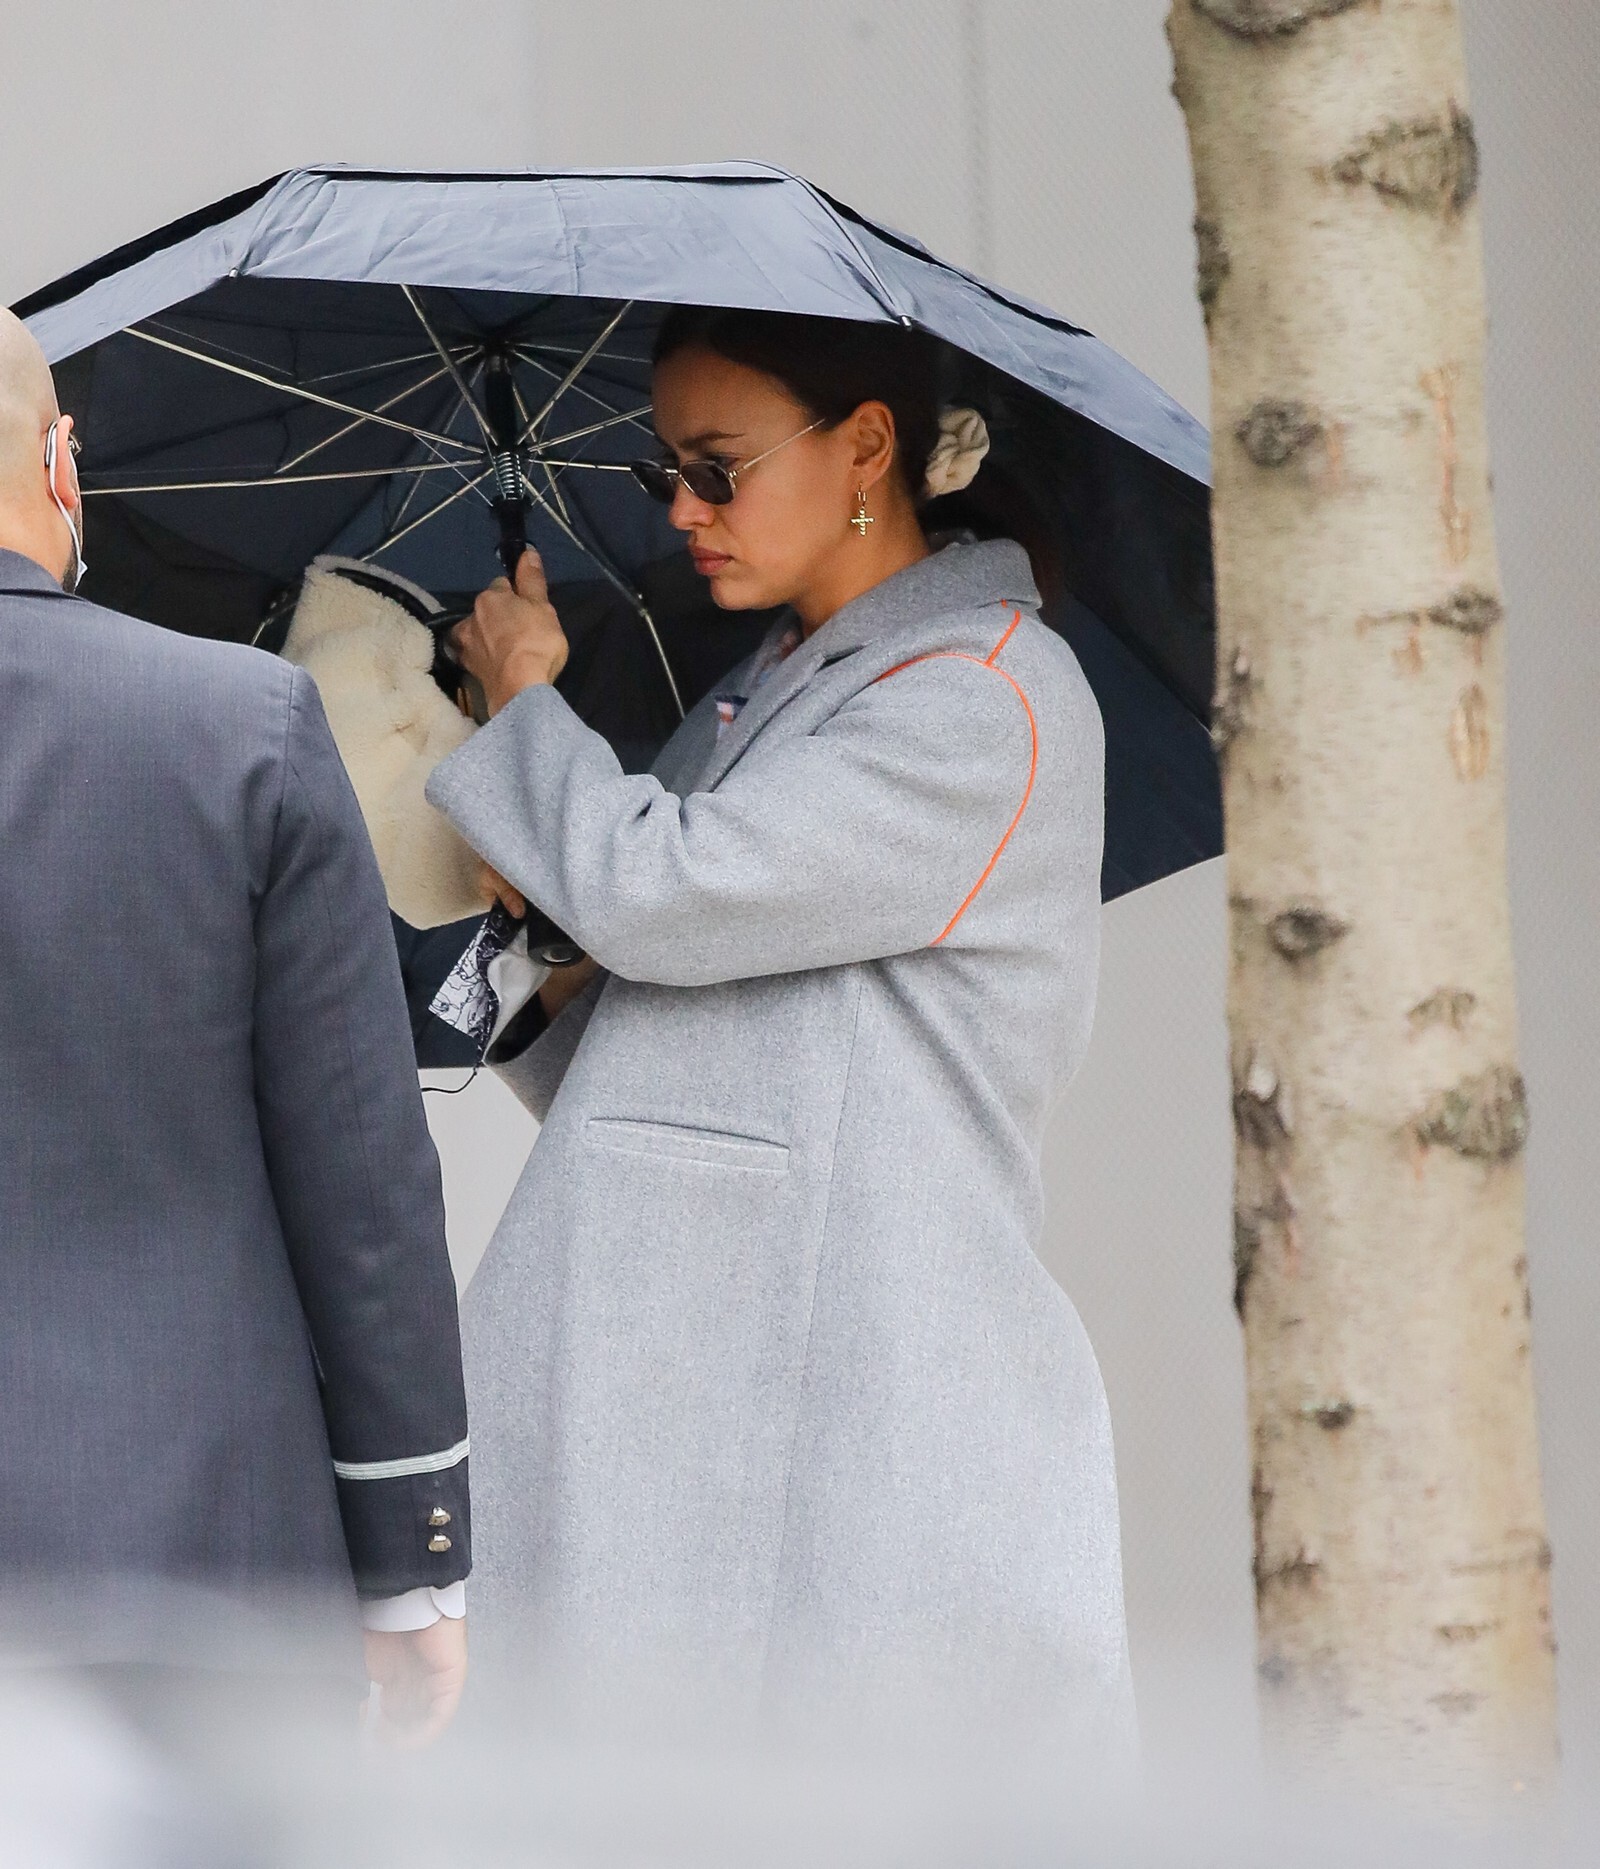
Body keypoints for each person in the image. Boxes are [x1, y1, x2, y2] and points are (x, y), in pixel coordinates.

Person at [429, 307, 1131, 1750]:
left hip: (860, 1390)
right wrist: (542, 947)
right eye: (663, 475)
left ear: (866, 445)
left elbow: (663, 894)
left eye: (718, 468)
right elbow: (675, 1060)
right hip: (705, 1383)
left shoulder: (983, 695)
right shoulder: (762, 693)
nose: (683, 511)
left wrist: (529, 709)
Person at [0, 309, 470, 1749]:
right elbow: (363, 1185)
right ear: (61, 463)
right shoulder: (241, 727)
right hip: (193, 1574)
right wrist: (412, 1561)